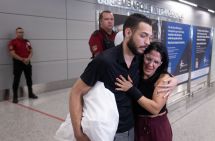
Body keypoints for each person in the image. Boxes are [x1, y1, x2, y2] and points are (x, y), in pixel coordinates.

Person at [69, 13, 177, 141]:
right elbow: (76, 92)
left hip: (132, 128)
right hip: (108, 131)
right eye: (143, 36)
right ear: (128, 32)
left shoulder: (140, 59)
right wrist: (78, 133)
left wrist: (173, 79)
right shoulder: (104, 61)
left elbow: (158, 68)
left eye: (149, 37)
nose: (147, 42)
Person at [115, 42, 173, 141]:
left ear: (161, 63)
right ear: (143, 56)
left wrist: (131, 89)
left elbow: (155, 108)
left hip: (156, 127)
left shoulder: (163, 79)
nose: (150, 64)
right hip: (137, 125)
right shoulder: (137, 72)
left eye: (156, 62)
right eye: (148, 59)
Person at [8, 27, 38, 103]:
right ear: (16, 33)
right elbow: (12, 53)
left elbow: (31, 51)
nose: (21, 33)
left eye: (22, 32)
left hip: (27, 62)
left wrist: (28, 58)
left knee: (29, 79)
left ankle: (30, 94)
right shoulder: (12, 42)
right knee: (16, 80)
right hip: (18, 63)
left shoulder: (27, 41)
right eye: (19, 32)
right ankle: (15, 97)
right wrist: (22, 59)